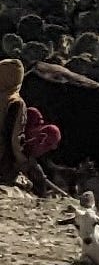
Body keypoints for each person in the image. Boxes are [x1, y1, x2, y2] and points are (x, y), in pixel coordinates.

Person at [0, 59, 59, 196]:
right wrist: (23, 162)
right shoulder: (15, 103)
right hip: (2, 160)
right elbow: (15, 140)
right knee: (32, 184)